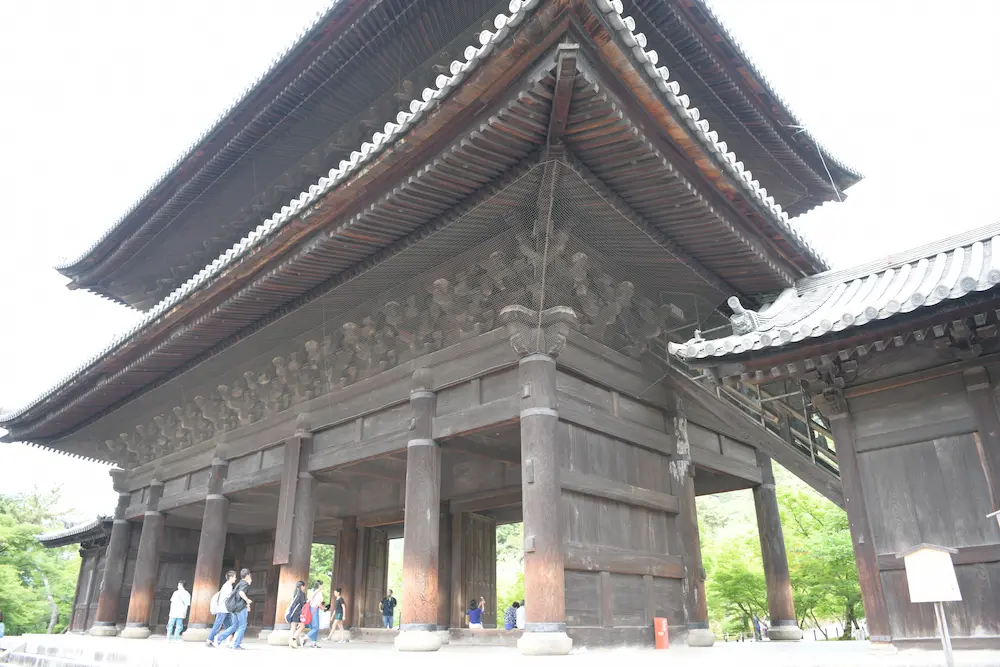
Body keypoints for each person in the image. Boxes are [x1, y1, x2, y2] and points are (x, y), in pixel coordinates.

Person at [213, 569, 253, 650]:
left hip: (234, 608)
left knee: (235, 626)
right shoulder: (245, 584)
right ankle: (236, 644)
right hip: (240, 608)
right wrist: (247, 600)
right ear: (248, 575)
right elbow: (241, 593)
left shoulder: (239, 584)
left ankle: (219, 638)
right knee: (242, 626)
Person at [206, 571, 237, 647]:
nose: (235, 578)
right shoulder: (227, 586)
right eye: (234, 577)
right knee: (218, 625)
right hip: (223, 609)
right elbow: (228, 598)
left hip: (226, 610)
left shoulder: (227, 586)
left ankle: (228, 641)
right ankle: (209, 640)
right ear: (230, 577)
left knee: (229, 626)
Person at [287, 581, 308, 649]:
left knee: (293, 628)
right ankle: (293, 639)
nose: (304, 588)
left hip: (292, 612)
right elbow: (303, 605)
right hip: (298, 613)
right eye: (304, 586)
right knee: (302, 627)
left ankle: (290, 644)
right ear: (302, 586)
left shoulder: (295, 593)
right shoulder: (302, 594)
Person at [303, 580, 324, 647]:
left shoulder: (312, 591)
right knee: (316, 627)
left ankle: (313, 643)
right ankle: (305, 637)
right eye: (322, 585)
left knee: (313, 627)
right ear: (320, 585)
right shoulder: (319, 593)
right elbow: (319, 604)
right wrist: (323, 608)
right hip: (315, 610)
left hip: (310, 610)